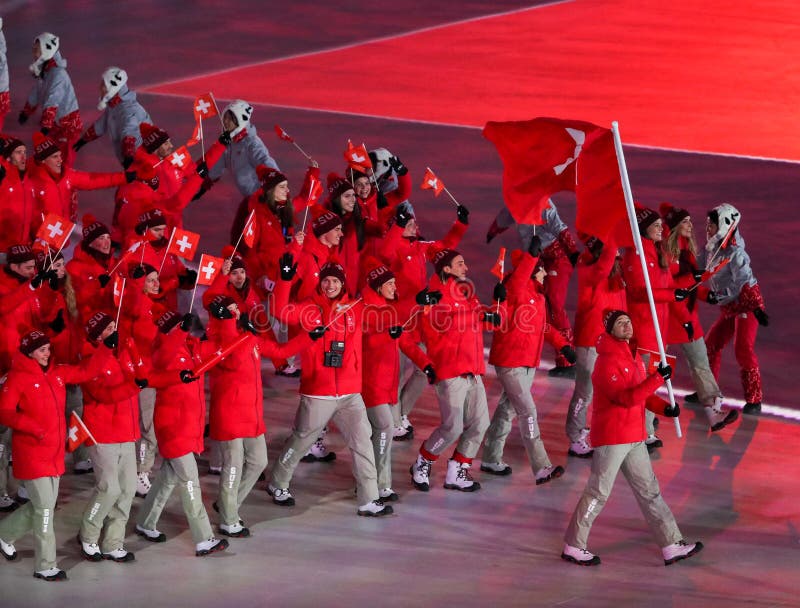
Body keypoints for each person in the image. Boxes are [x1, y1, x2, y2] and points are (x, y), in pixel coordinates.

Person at [561, 310, 703, 567]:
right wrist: (658, 378)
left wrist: (664, 409)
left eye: (628, 320)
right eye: (620, 323)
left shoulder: (632, 355)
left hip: (634, 436)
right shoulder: (605, 362)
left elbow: (642, 395)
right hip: (613, 439)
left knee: (649, 491)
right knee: (598, 493)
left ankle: (671, 543)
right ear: (610, 330)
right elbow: (626, 398)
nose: (627, 325)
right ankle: (574, 545)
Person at [268, 256, 393, 516]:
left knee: (362, 442)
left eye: (335, 280)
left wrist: (382, 278)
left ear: (343, 283)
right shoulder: (308, 309)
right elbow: (279, 311)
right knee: (302, 440)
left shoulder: (355, 307)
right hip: (319, 392)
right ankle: (278, 482)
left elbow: (380, 297)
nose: (330, 285)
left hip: (350, 392)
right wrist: (285, 278)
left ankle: (369, 498)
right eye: (326, 280)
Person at [0, 329, 113, 581]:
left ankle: (5, 533)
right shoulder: (17, 378)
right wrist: (34, 427)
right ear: (29, 352)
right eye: (42, 350)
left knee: (44, 506)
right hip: (31, 454)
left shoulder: (58, 373)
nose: (47, 353)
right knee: (45, 511)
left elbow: (87, 371)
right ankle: (45, 565)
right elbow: (5, 412)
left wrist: (106, 347)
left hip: (54, 453)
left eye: (48, 349)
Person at [205, 294, 313, 537]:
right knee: (233, 467)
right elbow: (232, 360)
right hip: (231, 415)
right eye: (230, 310)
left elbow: (279, 349)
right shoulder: (218, 339)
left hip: (251, 415)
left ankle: (227, 505)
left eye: (236, 309)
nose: (236, 312)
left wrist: (309, 337)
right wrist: (231, 325)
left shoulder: (248, 338)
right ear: (221, 316)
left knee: (258, 462)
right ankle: (228, 518)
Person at [134, 311, 229, 556]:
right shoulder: (161, 350)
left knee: (167, 478)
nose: (186, 329)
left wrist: (226, 320)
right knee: (190, 480)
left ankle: (145, 522)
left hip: (188, 426)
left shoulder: (193, 347)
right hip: (173, 427)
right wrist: (180, 331)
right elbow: (162, 361)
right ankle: (204, 538)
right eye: (179, 326)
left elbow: (221, 346)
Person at [409, 248, 502, 493]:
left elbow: (473, 318)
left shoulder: (463, 293)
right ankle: (424, 461)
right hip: (450, 371)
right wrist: (471, 316)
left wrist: (492, 312)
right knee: (452, 428)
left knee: (481, 424)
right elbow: (434, 327)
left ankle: (458, 469)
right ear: (446, 268)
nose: (466, 268)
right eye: (460, 264)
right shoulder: (433, 297)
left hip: (472, 369)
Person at [481, 237, 571, 484]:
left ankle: (490, 456)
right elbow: (521, 275)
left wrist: (564, 346)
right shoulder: (518, 287)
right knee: (528, 411)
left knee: (507, 409)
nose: (544, 272)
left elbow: (543, 327)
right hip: (511, 362)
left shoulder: (538, 296)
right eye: (540, 268)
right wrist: (531, 256)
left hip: (527, 363)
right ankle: (541, 466)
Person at [379, 202, 467, 440]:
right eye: (410, 223)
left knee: (422, 369)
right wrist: (398, 227)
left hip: (416, 321)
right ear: (397, 226)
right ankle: (391, 421)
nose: (415, 226)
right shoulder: (392, 246)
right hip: (395, 321)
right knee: (394, 376)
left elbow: (445, 248)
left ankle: (399, 414)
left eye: (413, 222)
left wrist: (460, 224)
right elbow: (385, 254)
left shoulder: (420, 246)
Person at [660, 203, 738, 430]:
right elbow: (671, 288)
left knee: (701, 363)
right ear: (674, 226)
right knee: (654, 370)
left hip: (687, 316)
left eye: (689, 221)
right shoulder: (666, 251)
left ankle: (714, 411)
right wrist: (697, 279)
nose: (690, 225)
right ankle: (645, 419)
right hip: (671, 317)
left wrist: (707, 295)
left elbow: (691, 284)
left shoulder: (686, 247)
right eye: (684, 222)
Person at [361, 260, 434, 501]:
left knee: (381, 434)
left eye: (394, 283)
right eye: (390, 284)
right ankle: (377, 485)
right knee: (383, 430)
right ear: (378, 286)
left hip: (388, 386)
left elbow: (405, 342)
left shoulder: (386, 308)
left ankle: (372, 483)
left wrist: (426, 364)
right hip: (371, 385)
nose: (394, 287)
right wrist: (416, 303)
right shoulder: (367, 309)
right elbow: (370, 341)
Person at [77, 313, 142, 563]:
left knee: (126, 490)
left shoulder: (121, 353)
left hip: (126, 432)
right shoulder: (89, 358)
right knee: (109, 489)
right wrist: (135, 386)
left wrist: (133, 351)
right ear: (96, 334)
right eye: (108, 328)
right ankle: (88, 535)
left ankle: (113, 542)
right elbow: (101, 394)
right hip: (102, 434)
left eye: (115, 326)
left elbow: (140, 372)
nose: (114, 331)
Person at [622, 206, 687, 452]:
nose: (662, 228)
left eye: (661, 225)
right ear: (644, 228)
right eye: (656, 225)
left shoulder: (658, 252)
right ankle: (641, 430)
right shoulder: (634, 254)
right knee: (644, 381)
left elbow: (669, 285)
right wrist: (671, 294)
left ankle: (647, 429)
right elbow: (638, 293)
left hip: (660, 328)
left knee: (654, 379)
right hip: (644, 330)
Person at [699, 204, 767, 415]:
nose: (707, 228)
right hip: (730, 305)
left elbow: (743, 283)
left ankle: (755, 399)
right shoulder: (714, 246)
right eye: (707, 223)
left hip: (746, 304)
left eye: (711, 224)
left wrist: (716, 296)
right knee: (710, 345)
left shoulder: (736, 253)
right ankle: (709, 392)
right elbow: (700, 265)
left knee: (743, 349)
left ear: (723, 226)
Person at [565, 234, 626, 458]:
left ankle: (595, 428)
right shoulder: (588, 269)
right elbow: (603, 266)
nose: (618, 255)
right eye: (612, 251)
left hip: (608, 342)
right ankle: (575, 435)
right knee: (585, 392)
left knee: (608, 390)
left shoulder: (614, 275)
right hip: (589, 342)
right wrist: (614, 238)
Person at [20, 33, 82, 160]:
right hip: (55, 124)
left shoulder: (58, 74)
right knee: (47, 155)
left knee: (63, 158)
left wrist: (46, 125)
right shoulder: (46, 73)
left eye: (36, 50)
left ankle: (64, 176)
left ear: (46, 51)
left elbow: (53, 99)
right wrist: (26, 112)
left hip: (68, 126)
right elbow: (36, 93)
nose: (33, 52)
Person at [73, 67, 152, 167]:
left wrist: (129, 156)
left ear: (113, 87)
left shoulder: (128, 109)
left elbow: (130, 131)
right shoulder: (114, 108)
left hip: (141, 159)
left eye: (103, 85)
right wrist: (84, 139)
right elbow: (102, 124)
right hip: (131, 160)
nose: (100, 88)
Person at [207, 99, 280, 199]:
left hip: (262, 197)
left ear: (240, 120)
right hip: (249, 197)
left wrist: (277, 186)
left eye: (230, 118)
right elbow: (217, 164)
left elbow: (266, 162)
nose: (226, 121)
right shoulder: (228, 142)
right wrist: (203, 179)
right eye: (225, 117)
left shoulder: (251, 143)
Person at [0, 136, 36, 254]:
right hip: (3, 248)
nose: (23, 156)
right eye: (18, 152)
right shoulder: (3, 178)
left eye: (25, 152)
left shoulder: (28, 182)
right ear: (9, 157)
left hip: (23, 249)